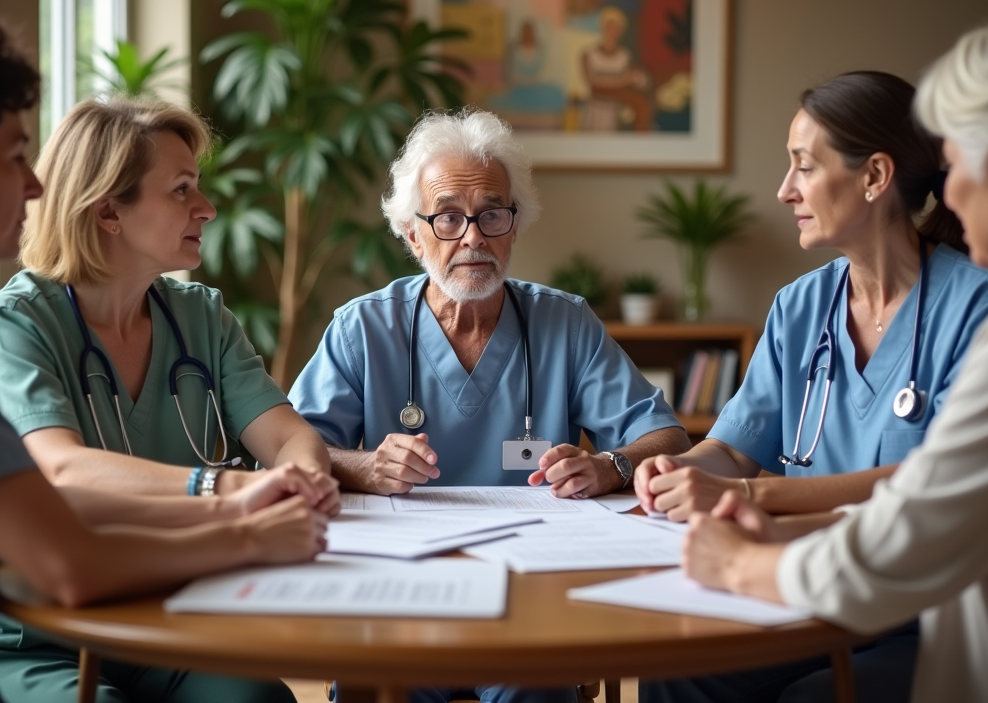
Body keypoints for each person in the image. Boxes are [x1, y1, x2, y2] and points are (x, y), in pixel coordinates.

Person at [0, 2, 328, 703]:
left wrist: (236, 506)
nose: (38, 185)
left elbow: (48, 503)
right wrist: (246, 532)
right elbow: (65, 559)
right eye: (16, 155)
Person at [680, 6, 988, 703]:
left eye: (953, 165)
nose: (948, 191)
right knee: (691, 670)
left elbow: (918, 525)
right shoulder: (802, 303)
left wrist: (742, 557)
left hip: (931, 623)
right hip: (866, 574)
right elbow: (929, 509)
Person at [289, 107, 688, 703]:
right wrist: (361, 466)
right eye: (448, 216)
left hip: (533, 591)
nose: (472, 237)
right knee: (372, 686)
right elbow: (290, 451)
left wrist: (608, 467)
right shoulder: (362, 328)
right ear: (411, 232)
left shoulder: (565, 322)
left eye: (492, 214)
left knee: (537, 687)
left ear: (515, 226)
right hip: (397, 589)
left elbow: (667, 438)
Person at [0, 95, 340, 701]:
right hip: (42, 630)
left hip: (167, 610)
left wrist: (305, 478)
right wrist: (224, 488)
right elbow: (58, 464)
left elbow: (286, 434)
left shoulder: (200, 316)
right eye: (182, 190)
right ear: (110, 211)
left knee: (256, 697)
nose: (208, 208)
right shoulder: (15, 324)